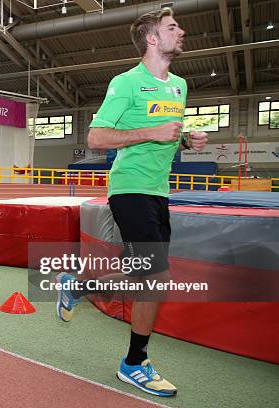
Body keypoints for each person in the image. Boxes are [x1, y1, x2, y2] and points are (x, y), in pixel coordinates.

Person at [55, 8, 207, 397]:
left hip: (159, 190)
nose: (182, 31)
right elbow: (96, 138)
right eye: (173, 27)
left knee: (143, 272)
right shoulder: (126, 83)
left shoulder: (179, 86)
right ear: (153, 39)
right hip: (129, 188)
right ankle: (134, 363)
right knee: (154, 275)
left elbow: (167, 136)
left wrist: (186, 140)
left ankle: (77, 285)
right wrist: (151, 131)